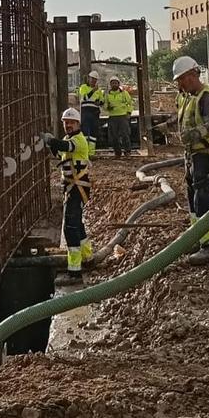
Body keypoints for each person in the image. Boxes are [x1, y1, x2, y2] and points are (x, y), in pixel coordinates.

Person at [172, 56, 209, 265]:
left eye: (181, 79)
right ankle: (197, 236)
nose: (179, 84)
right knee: (192, 195)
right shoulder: (187, 97)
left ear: (192, 75)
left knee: (203, 197)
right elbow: (184, 119)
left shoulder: (206, 96)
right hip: (193, 154)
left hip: (206, 153)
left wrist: (197, 133)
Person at [45, 108, 93, 281]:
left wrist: (51, 140)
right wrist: (51, 144)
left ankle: (75, 271)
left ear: (78, 124)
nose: (68, 125)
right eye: (65, 123)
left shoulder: (78, 140)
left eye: (71, 122)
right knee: (77, 224)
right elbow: (60, 152)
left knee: (70, 228)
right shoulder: (68, 139)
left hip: (78, 188)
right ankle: (88, 257)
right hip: (72, 188)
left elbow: (66, 147)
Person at [104, 76, 134, 157]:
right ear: (110, 84)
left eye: (115, 83)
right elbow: (105, 105)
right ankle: (117, 152)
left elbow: (130, 103)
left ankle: (127, 151)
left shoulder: (124, 93)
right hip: (112, 117)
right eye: (112, 83)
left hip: (122, 116)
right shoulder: (107, 95)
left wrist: (128, 112)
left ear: (118, 84)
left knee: (125, 134)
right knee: (114, 136)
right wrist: (107, 107)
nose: (114, 84)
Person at [77, 71, 104, 153]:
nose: (93, 81)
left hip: (94, 113)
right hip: (85, 112)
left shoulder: (98, 90)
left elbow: (102, 101)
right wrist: (93, 91)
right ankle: (84, 152)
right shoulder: (83, 87)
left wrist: (99, 102)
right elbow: (84, 98)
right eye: (92, 79)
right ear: (88, 79)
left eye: (95, 80)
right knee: (84, 132)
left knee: (93, 133)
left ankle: (91, 152)